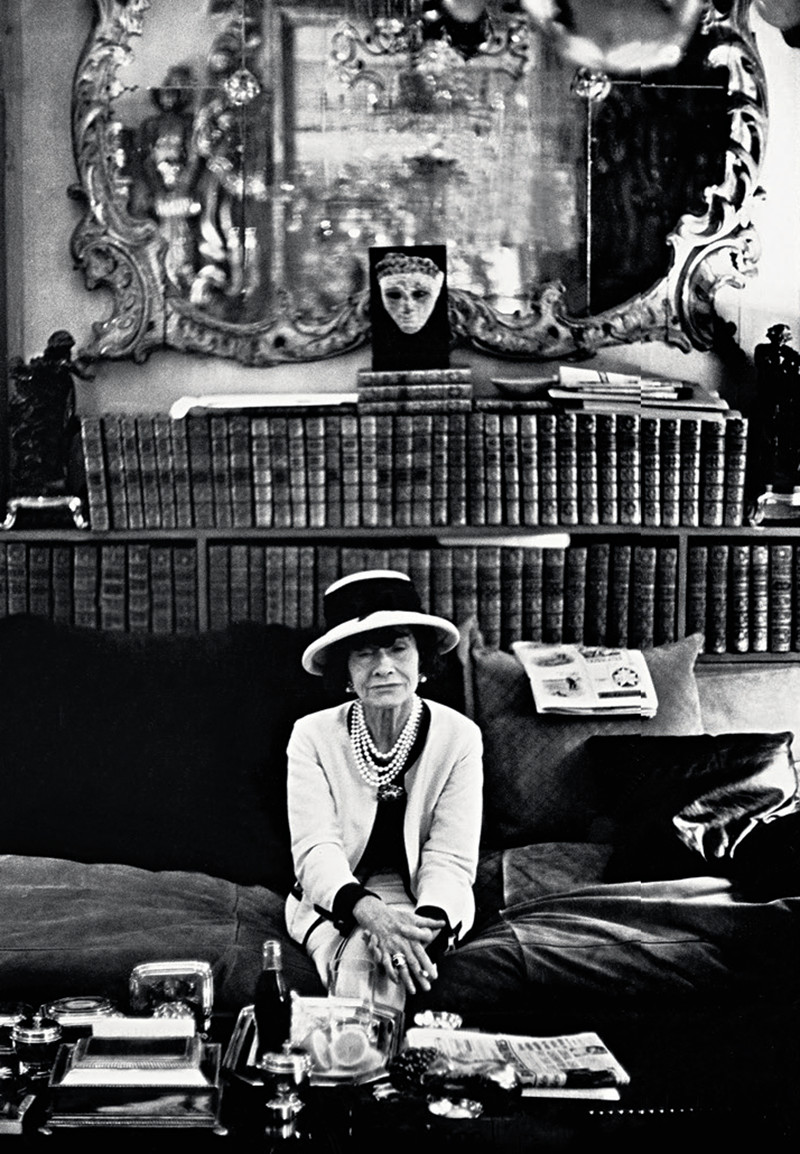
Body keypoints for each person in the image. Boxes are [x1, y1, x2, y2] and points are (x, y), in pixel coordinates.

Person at [285, 569, 483, 1013]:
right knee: (361, 963)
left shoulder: (459, 737)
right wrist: (371, 914)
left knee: (392, 965)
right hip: (337, 898)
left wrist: (421, 928)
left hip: (424, 898)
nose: (383, 667)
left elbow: (450, 858)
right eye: (364, 653)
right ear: (345, 669)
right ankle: (365, 1056)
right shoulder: (311, 736)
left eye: (398, 648)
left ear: (421, 658)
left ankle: (360, 1055)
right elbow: (316, 849)